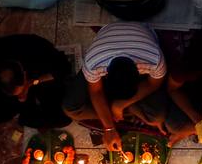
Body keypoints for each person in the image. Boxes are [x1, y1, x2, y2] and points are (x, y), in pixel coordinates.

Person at [64, 22, 169, 150]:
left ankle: (117, 110)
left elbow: (153, 84)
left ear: (138, 74)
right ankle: (123, 112)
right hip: (103, 51)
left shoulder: (154, 59)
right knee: (71, 108)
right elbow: (96, 92)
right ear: (106, 76)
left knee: (157, 116)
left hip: (141, 34)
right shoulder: (94, 63)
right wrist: (109, 128)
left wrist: (120, 104)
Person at [0, 34, 73, 129]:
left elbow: (64, 67)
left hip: (39, 76)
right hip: (18, 99)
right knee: (30, 117)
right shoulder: (2, 104)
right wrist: (21, 100)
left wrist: (33, 82)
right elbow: (7, 113)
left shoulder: (32, 46)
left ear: (23, 71)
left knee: (64, 116)